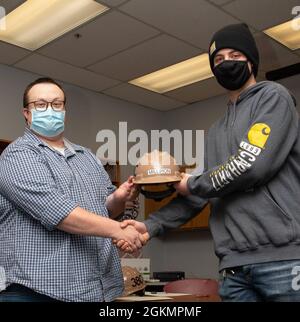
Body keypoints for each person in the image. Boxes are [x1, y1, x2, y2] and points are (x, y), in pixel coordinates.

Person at [119, 23, 300, 302]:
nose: (226, 63)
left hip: (284, 262)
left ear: (251, 61)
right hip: (233, 269)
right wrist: (150, 225)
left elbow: (251, 165)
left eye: (235, 56)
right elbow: (199, 195)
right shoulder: (215, 131)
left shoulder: (273, 98)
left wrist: (191, 182)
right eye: (218, 59)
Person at [0, 77, 144, 302]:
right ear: (26, 113)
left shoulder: (86, 156)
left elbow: (104, 210)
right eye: (40, 104)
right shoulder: (18, 155)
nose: (50, 110)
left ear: (64, 110)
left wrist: (119, 197)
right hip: (36, 291)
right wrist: (118, 230)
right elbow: (57, 211)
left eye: (57, 104)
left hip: (93, 290)